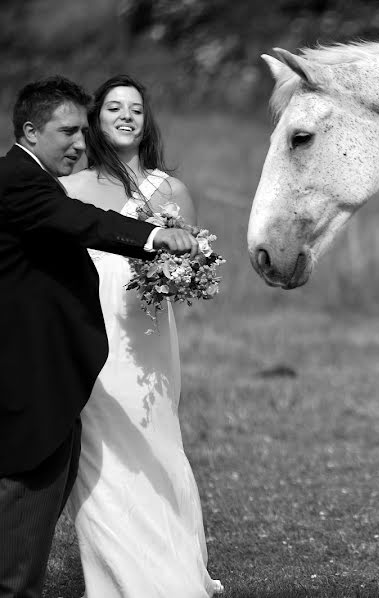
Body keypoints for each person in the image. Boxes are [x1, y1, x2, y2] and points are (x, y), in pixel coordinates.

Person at [0, 76, 198, 598]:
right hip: (32, 375)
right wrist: (153, 235)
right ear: (30, 130)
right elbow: (80, 220)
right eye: (68, 131)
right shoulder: (20, 180)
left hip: (64, 367)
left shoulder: (29, 177)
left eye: (83, 133)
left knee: (33, 516)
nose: (79, 142)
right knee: (20, 530)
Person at [61, 74, 223, 597]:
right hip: (89, 329)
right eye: (113, 108)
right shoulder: (69, 189)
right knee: (99, 448)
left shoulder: (170, 190)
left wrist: (174, 274)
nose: (126, 116)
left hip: (147, 333)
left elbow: (198, 266)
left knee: (157, 440)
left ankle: (172, 565)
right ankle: (112, 579)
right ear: (95, 120)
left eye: (135, 108)